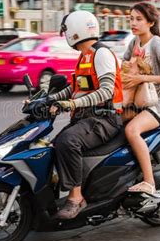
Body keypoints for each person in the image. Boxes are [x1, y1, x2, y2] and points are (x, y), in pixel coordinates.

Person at [49, 11, 124, 219]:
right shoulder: (85, 55)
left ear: (75, 30)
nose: (65, 35)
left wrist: (72, 103)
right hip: (86, 118)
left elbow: (106, 91)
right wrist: (48, 99)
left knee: (67, 141)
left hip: (104, 119)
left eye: (65, 30)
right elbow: (74, 88)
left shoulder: (101, 54)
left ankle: (76, 198)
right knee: (50, 146)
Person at [122, 2, 160, 197]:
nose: (133, 23)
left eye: (138, 19)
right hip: (140, 101)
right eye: (131, 18)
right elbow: (123, 66)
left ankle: (149, 182)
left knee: (132, 130)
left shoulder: (156, 44)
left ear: (150, 22)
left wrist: (142, 77)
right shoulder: (134, 42)